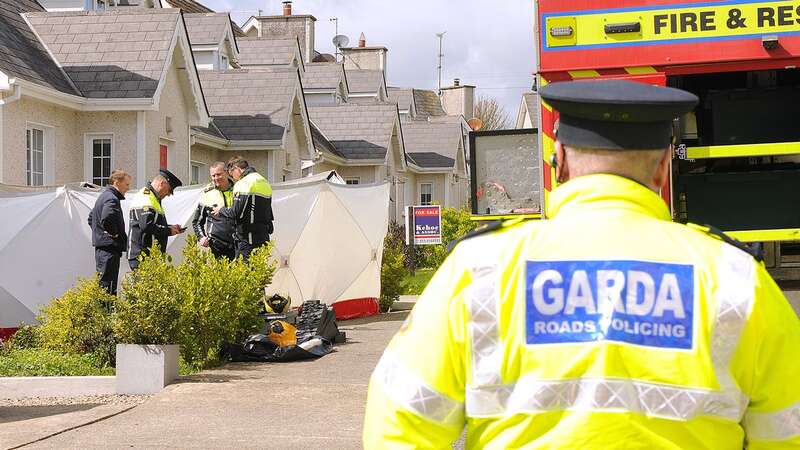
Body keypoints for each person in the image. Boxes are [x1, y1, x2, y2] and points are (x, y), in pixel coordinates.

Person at [363, 79, 800, 449]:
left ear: (561, 162)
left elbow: (400, 418)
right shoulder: (737, 279)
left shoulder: (480, 270)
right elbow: (788, 428)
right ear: (665, 169)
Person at [212, 157, 273, 261]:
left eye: (232, 175)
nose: (234, 179)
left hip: (247, 240)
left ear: (237, 169)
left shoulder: (243, 183)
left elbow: (236, 213)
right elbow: (269, 213)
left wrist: (221, 210)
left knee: (244, 275)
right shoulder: (263, 181)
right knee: (259, 273)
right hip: (264, 237)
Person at [128, 169, 185, 270]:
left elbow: (153, 224)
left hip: (150, 256)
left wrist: (170, 227)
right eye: (169, 190)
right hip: (143, 256)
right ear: (162, 184)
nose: (168, 194)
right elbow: (146, 226)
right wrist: (168, 231)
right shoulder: (146, 197)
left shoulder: (153, 198)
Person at [88, 170, 130, 295]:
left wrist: (100, 233)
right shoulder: (111, 198)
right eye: (127, 185)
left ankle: (104, 312)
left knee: (104, 284)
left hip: (104, 249)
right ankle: (106, 314)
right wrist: (113, 234)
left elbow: (91, 218)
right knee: (108, 287)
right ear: (117, 182)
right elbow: (106, 217)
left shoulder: (104, 196)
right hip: (109, 249)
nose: (128, 188)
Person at [192, 162, 235, 260]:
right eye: (213, 175)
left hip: (237, 243)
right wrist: (201, 237)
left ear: (227, 173)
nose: (216, 178)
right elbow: (197, 222)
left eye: (219, 174)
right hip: (216, 246)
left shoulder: (238, 190)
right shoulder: (207, 193)